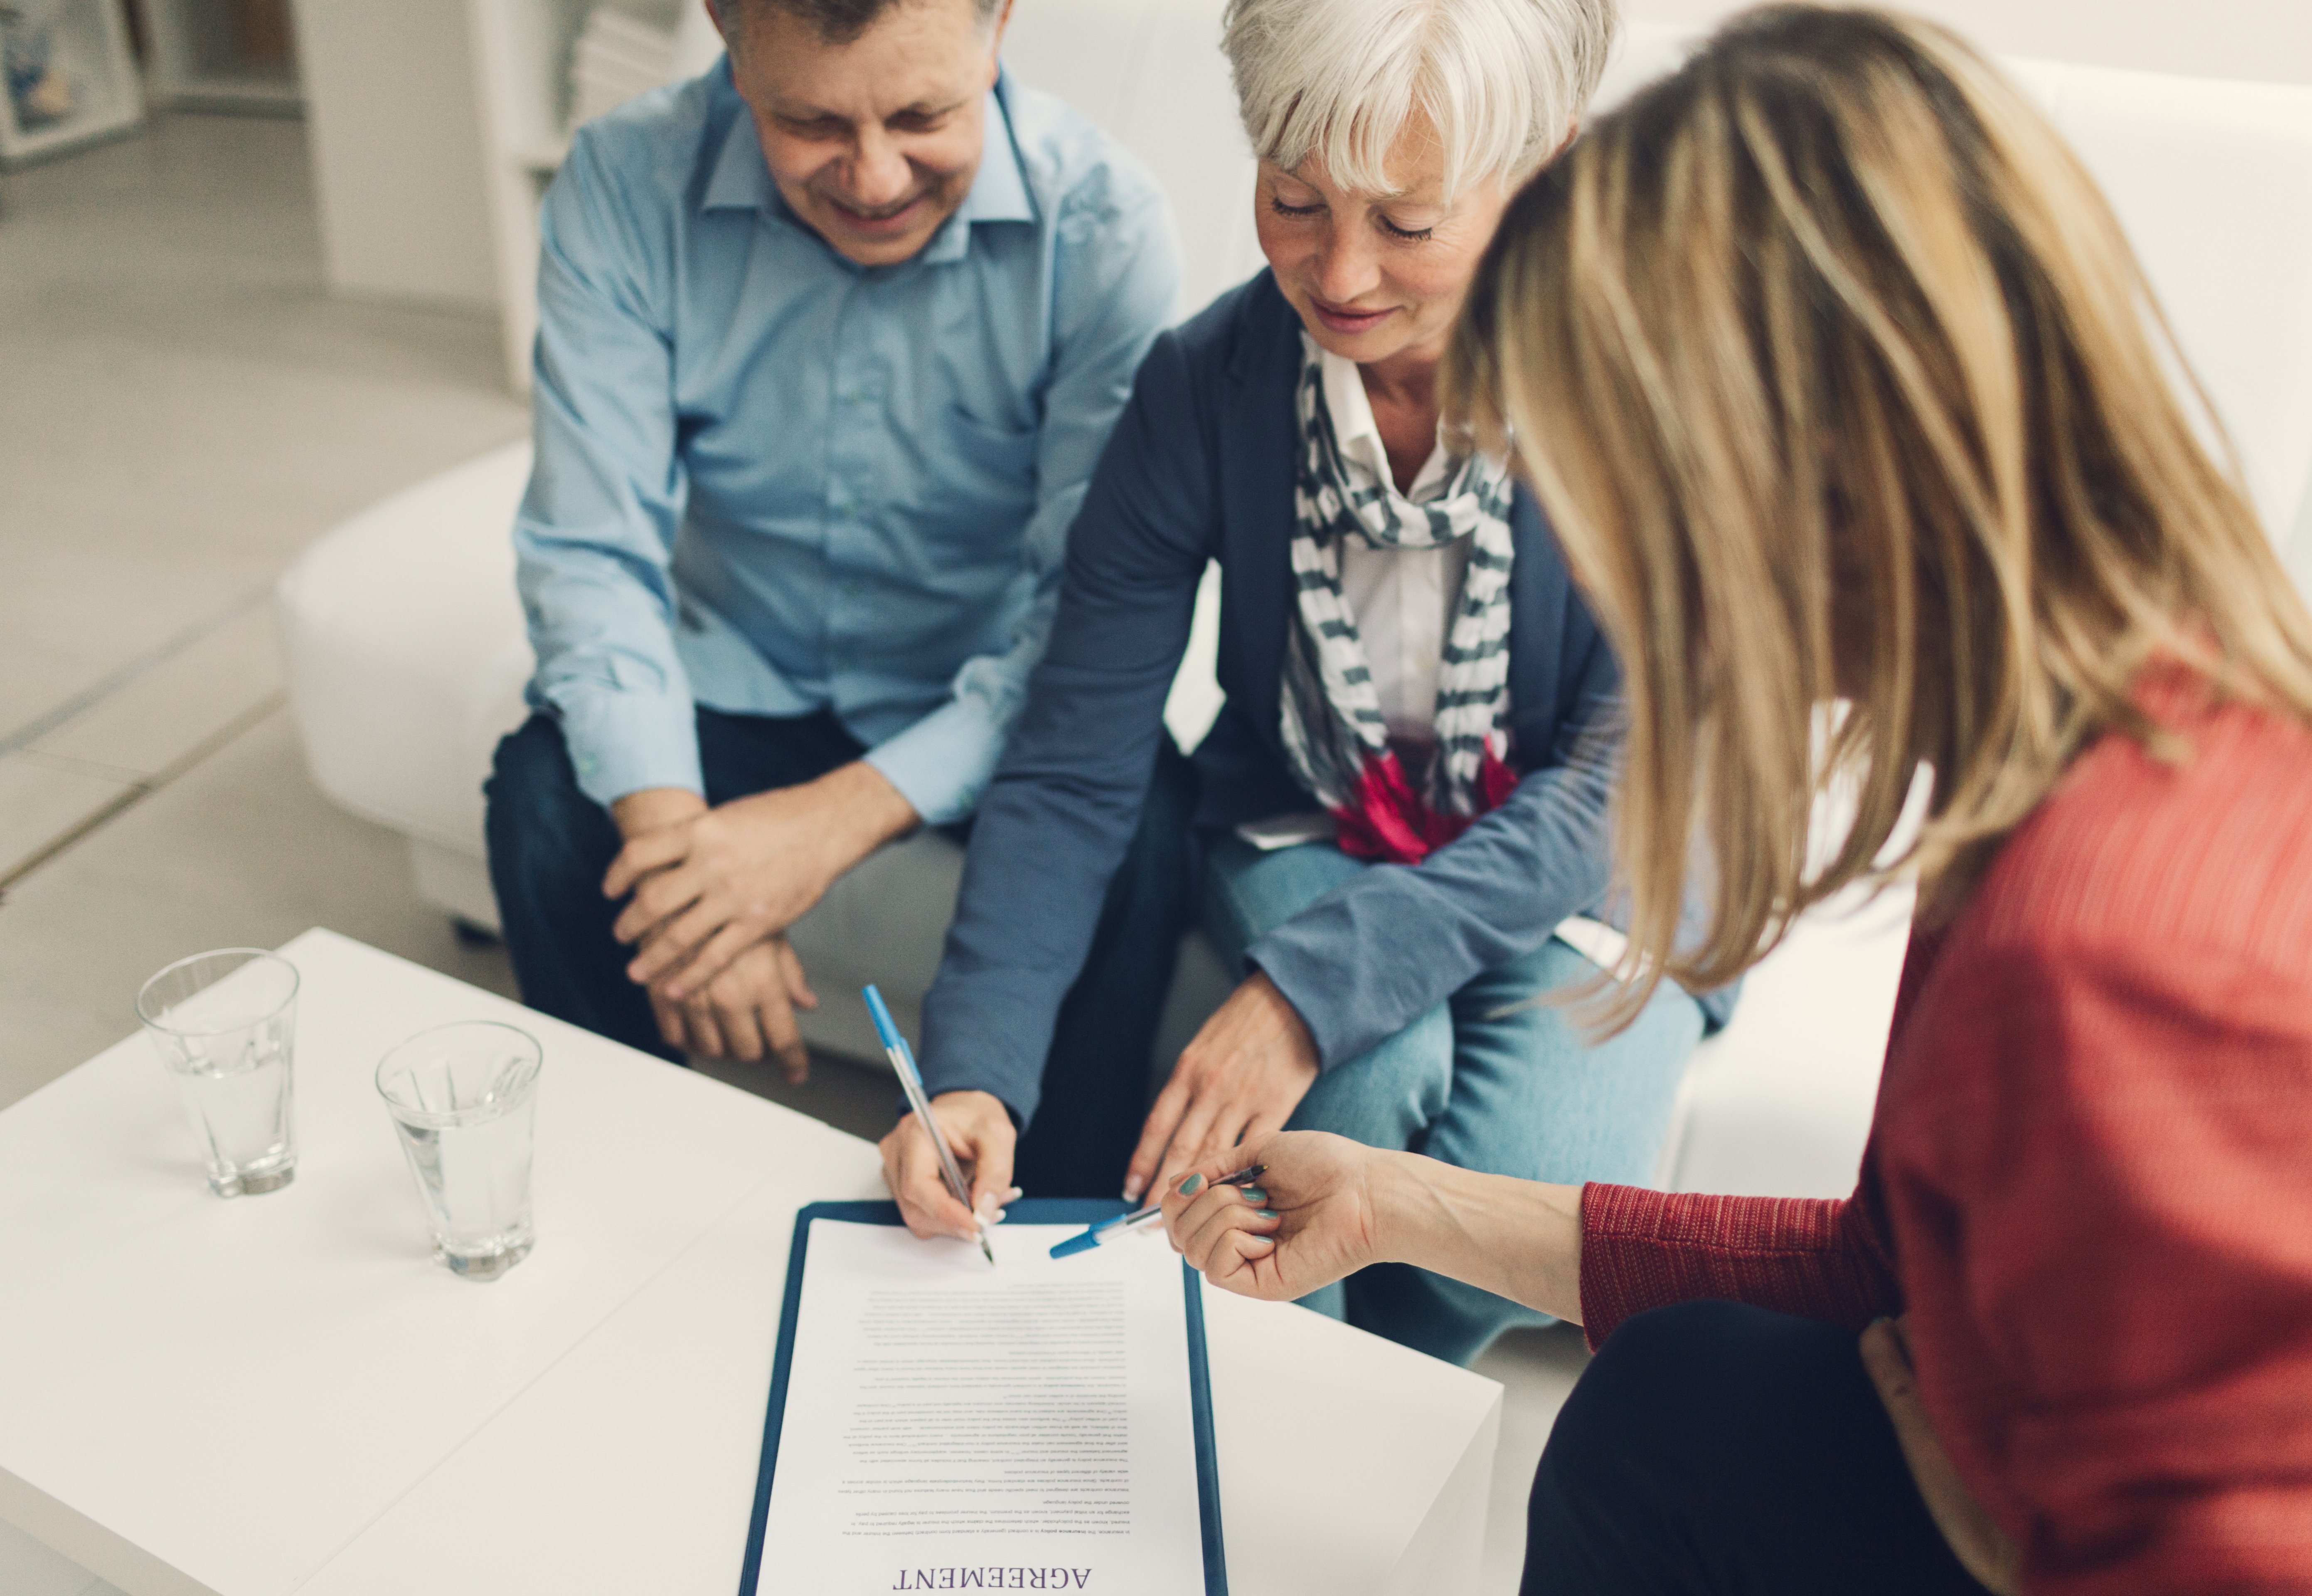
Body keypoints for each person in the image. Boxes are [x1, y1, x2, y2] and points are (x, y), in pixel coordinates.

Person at [1160, 7, 2312, 1591]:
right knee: (1673, 1394)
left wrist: (2006, 1536)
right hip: (1975, 1422)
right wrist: (1398, 1202)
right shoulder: (2089, 744)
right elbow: (1877, 1271)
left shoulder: (2107, 956)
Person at [883, 0, 1735, 1368]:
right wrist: (975, 1071)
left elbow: (1619, 784)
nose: (1336, 270)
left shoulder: (1673, 383)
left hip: (1606, 862)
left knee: (1520, 1204)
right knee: (1343, 1111)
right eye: (1292, 196)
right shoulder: (1204, 386)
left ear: (1547, 167)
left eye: (1406, 222)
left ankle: (1359, 1421)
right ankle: (1296, 1430)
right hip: (1314, 819)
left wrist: (1300, 990)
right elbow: (1076, 754)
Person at [483, 0, 1195, 1144]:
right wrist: (693, 874)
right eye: (809, 122)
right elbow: (590, 555)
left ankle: (1059, 1211)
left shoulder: (1103, 226)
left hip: (988, 690)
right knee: (543, 806)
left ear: (999, 20)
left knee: (1144, 826)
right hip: (742, 660)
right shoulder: (622, 183)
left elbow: (1088, 618)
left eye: (922, 115)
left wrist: (815, 835)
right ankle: (606, 1177)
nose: (873, 179)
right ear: (723, 28)